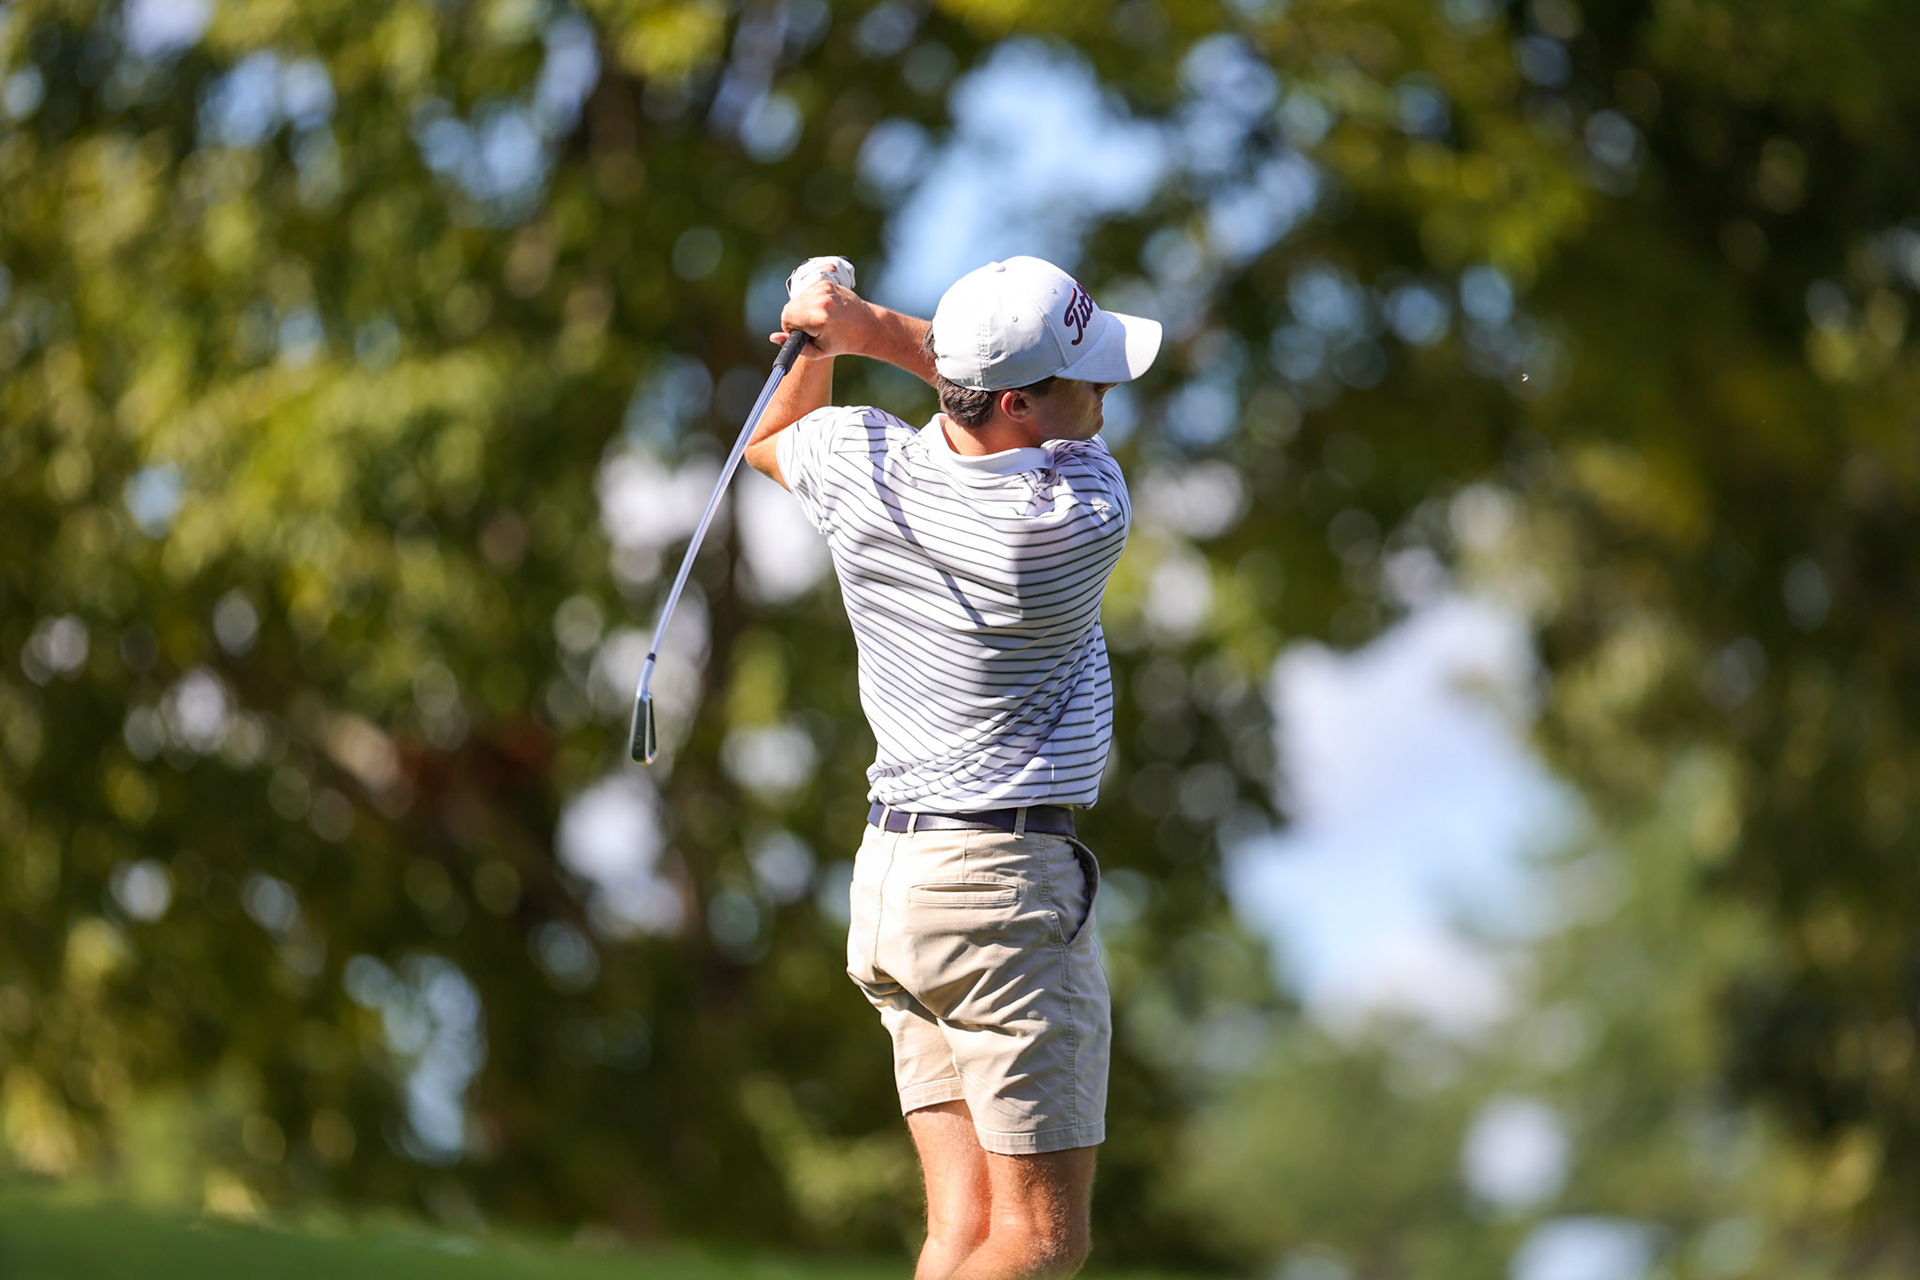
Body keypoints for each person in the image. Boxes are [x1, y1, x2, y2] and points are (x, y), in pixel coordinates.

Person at [743, 256, 1160, 1280]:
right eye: (1084, 377)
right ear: (1020, 403)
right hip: (1001, 895)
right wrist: (866, 324)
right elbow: (947, 370)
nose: (1103, 392)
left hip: (895, 885)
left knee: (961, 1232)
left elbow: (768, 438)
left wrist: (824, 331)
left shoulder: (860, 463)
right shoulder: (1075, 517)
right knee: (1036, 1240)